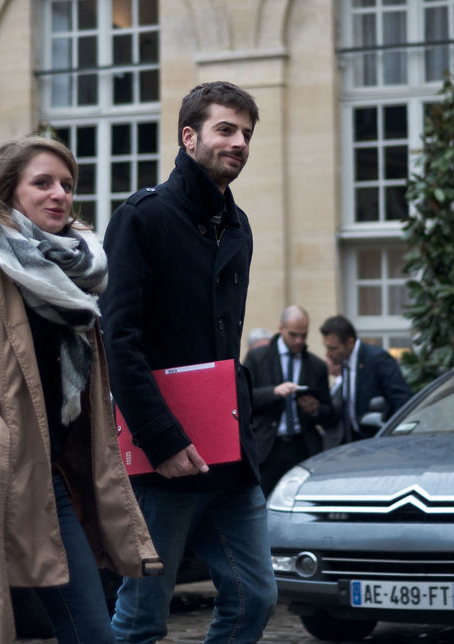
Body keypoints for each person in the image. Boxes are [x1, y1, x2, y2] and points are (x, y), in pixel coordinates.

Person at [0, 136, 160, 644]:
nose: (59, 194)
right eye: (42, 183)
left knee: (92, 634)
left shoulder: (77, 280)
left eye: (66, 184)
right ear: (8, 192)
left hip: (52, 485)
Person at [102, 81, 277, 644]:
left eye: (246, 133)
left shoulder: (239, 225)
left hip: (230, 452)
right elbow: (118, 340)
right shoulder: (142, 217)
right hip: (162, 454)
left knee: (255, 599)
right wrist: (161, 439)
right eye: (225, 129)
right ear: (189, 137)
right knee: (141, 618)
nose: (239, 142)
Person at [243, 305, 336, 494]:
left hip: (302, 447)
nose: (299, 340)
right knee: (263, 502)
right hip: (266, 448)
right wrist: (273, 392)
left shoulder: (316, 365)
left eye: (304, 335)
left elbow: (329, 413)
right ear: (281, 329)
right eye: (293, 335)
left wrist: (315, 409)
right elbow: (242, 398)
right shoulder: (257, 357)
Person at [319, 314, 412, 443]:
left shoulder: (377, 359)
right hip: (355, 441)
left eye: (333, 348)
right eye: (326, 347)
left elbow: (402, 399)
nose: (328, 354)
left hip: (379, 441)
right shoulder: (345, 361)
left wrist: (395, 436)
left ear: (350, 343)